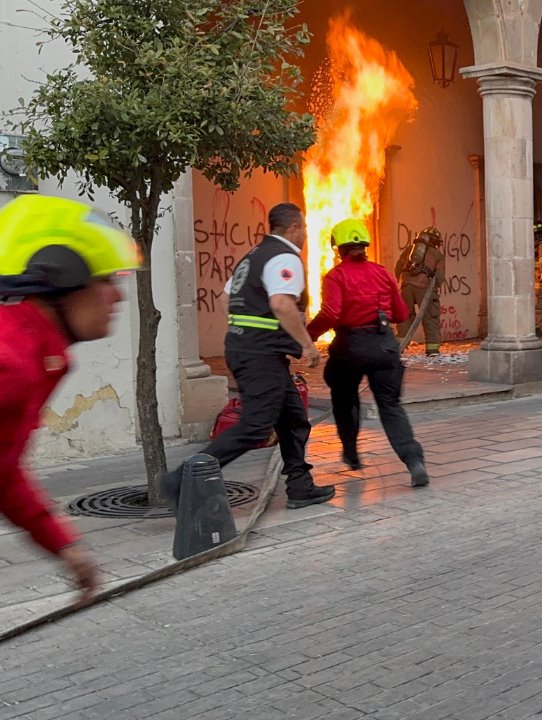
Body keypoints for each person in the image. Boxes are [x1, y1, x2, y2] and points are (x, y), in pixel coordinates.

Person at [0, 194, 140, 606]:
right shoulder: (11, 360)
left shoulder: (32, 352)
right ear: (59, 276)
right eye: (107, 280)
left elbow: (2, 470)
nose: (118, 297)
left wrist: (63, 545)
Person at [160, 202, 334, 509]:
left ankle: (300, 486)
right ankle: (183, 479)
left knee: (293, 419)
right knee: (255, 425)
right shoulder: (284, 257)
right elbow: (281, 304)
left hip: (248, 349)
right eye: (304, 228)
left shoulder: (252, 256)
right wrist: (306, 345)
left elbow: (226, 298)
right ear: (293, 228)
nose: (305, 234)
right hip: (260, 354)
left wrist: (247, 330)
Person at [308, 219, 429, 487]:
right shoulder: (382, 273)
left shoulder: (336, 276)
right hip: (384, 345)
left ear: (338, 248)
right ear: (364, 245)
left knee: (344, 398)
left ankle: (351, 453)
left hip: (349, 346)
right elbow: (400, 313)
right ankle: (413, 460)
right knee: (390, 406)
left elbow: (331, 313)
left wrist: (309, 335)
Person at [395, 227, 445, 355]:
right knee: (430, 317)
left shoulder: (408, 250)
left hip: (405, 287)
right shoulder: (437, 254)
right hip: (424, 288)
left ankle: (400, 347)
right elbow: (439, 276)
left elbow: (398, 267)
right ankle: (432, 350)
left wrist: (402, 281)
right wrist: (434, 290)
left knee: (405, 316)